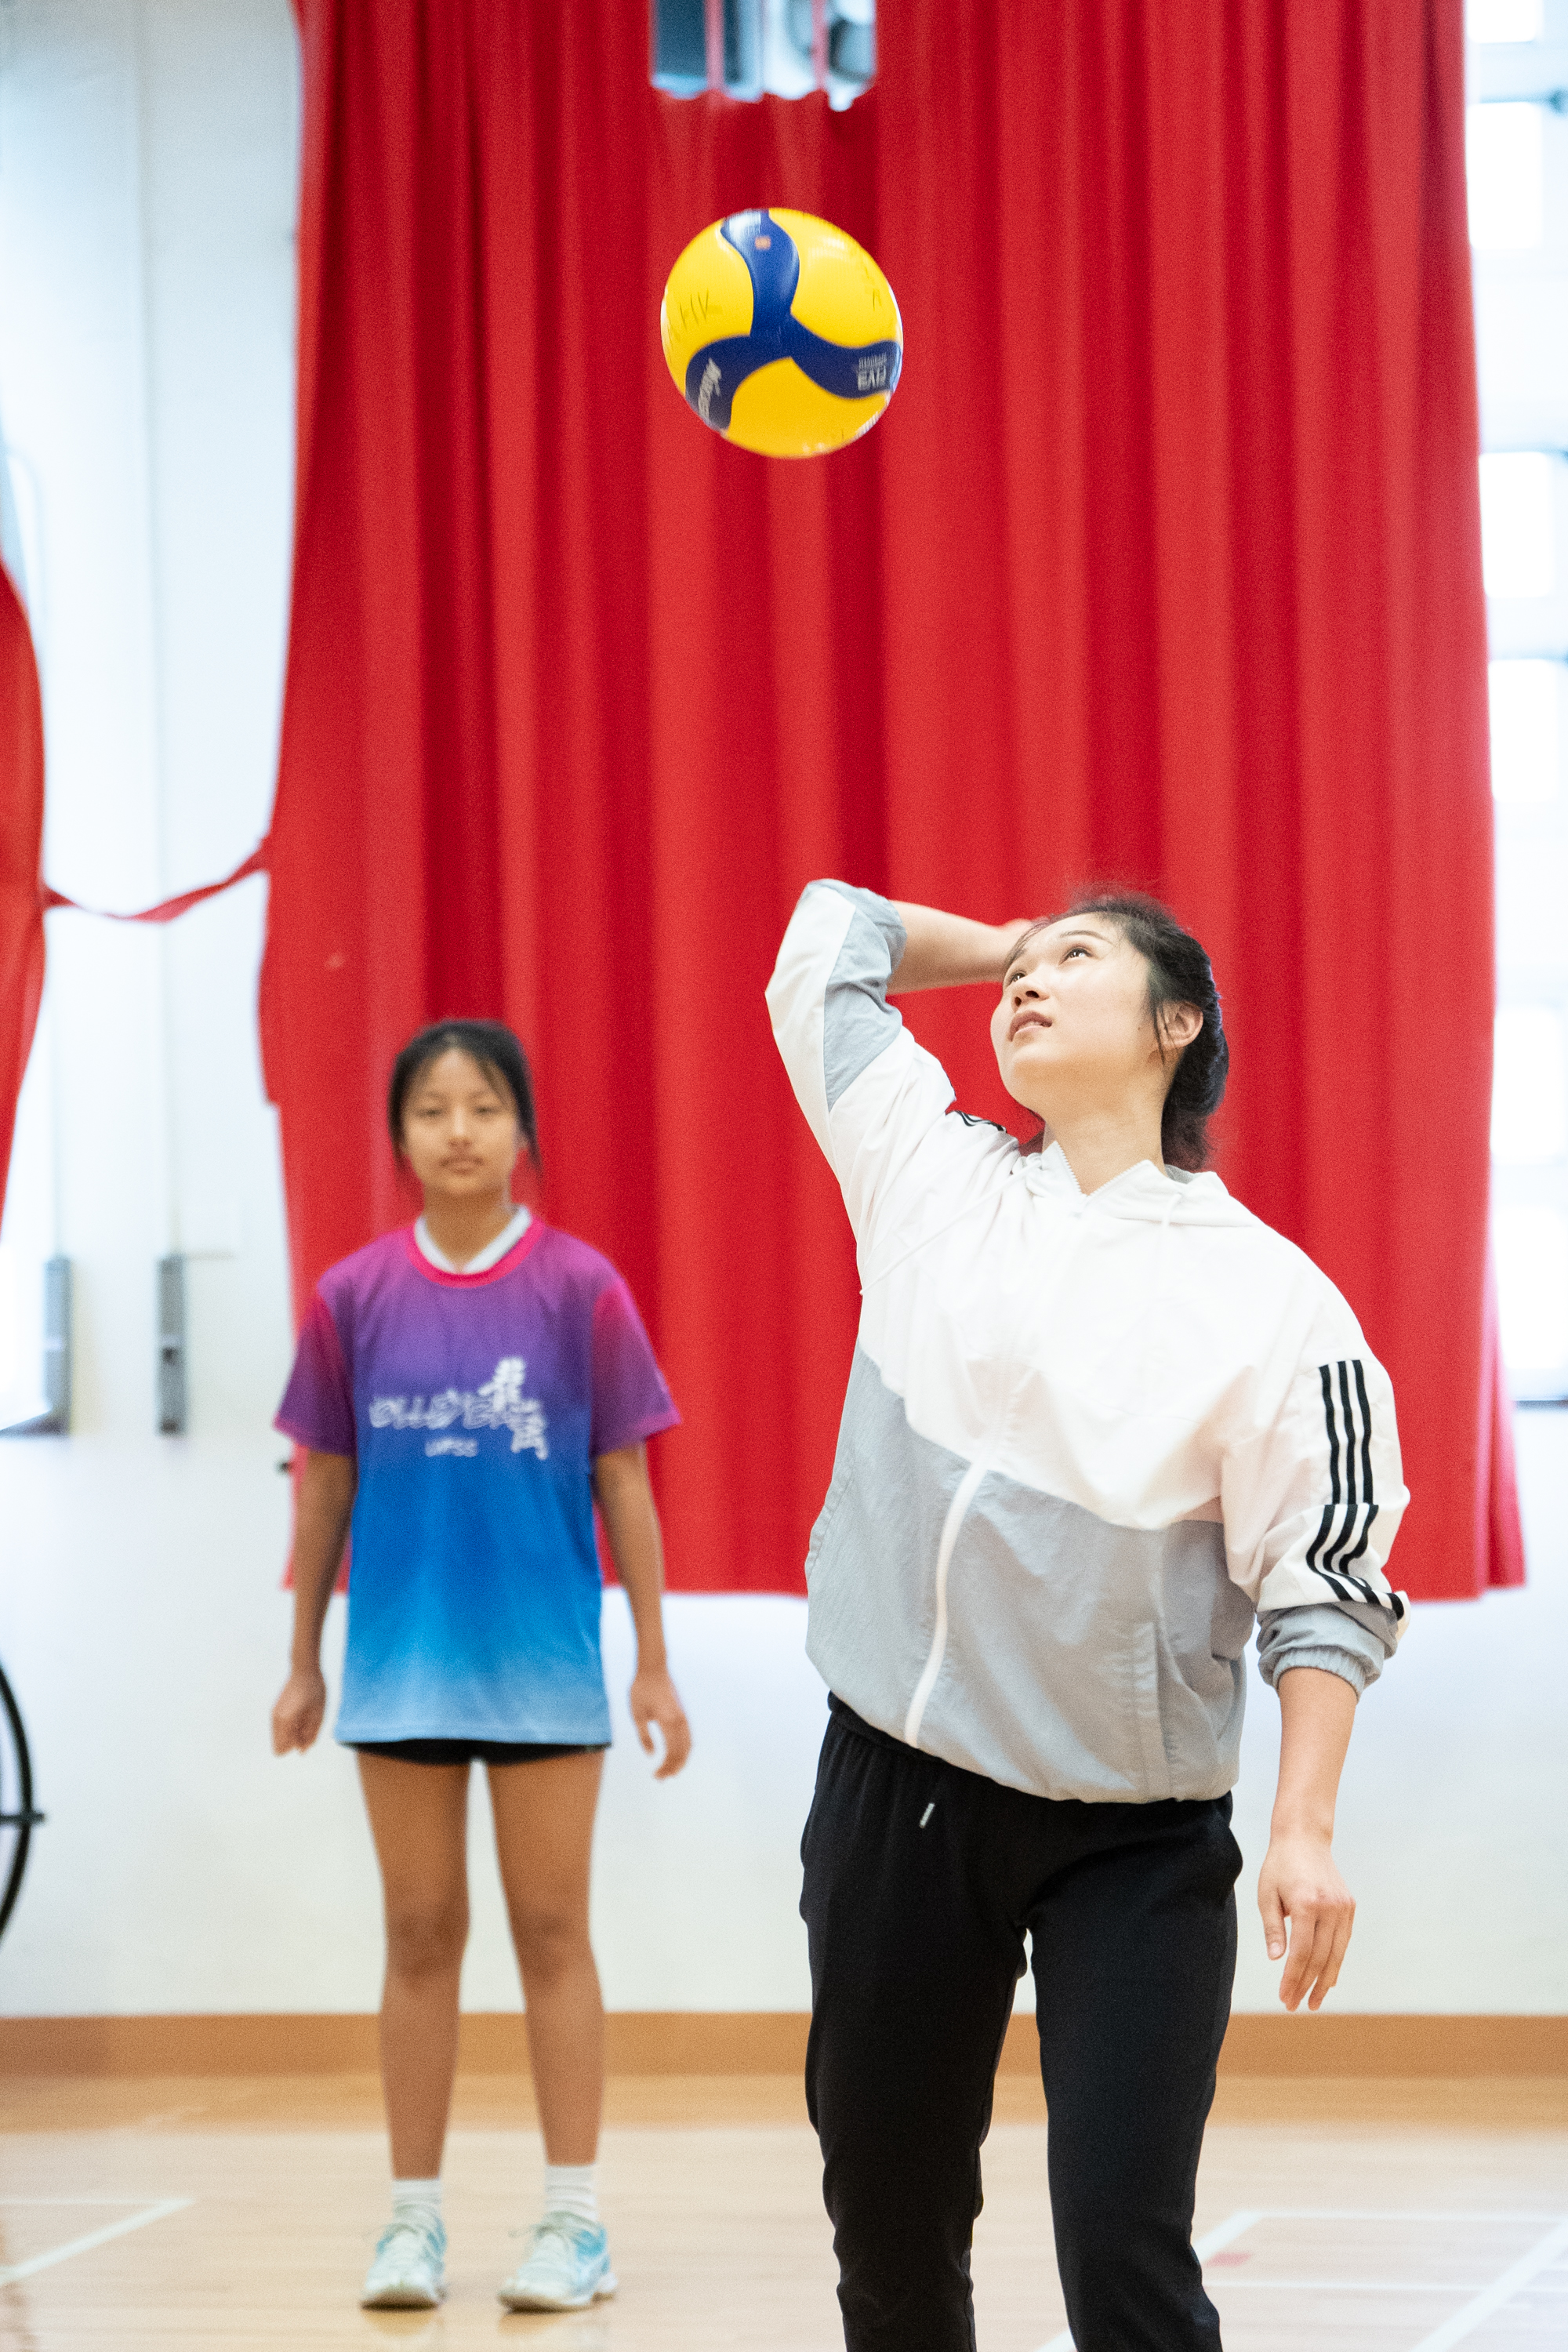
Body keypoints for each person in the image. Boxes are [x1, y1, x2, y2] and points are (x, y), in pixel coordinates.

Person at [766, 881, 1409, 2352]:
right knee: (889, 2226)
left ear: (1178, 1025)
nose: (1026, 983)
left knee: (1122, 2250)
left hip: (1132, 1838)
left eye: (1080, 959)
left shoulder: (1276, 1304)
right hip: (899, 1795)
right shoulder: (931, 1177)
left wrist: (1304, 1829)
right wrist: (1008, 947)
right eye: (1023, 966)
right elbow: (826, 942)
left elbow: (1327, 1578)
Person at [270, 1018, 690, 2316]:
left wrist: (654, 1663)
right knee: (417, 1932)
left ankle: (576, 2224)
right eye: (433, 1109)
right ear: (400, 1136)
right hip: (398, 1666)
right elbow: (323, 1486)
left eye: (485, 1106)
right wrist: (302, 1662)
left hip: (545, 1668)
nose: (460, 1131)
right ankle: (412, 2225)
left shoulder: (582, 1290)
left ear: (522, 1131)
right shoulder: (351, 1298)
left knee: (552, 1931)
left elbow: (624, 1477)